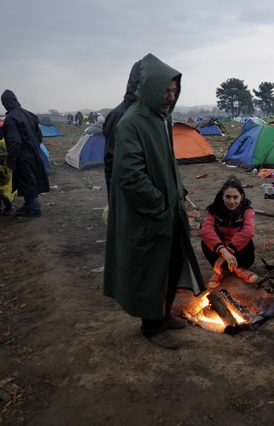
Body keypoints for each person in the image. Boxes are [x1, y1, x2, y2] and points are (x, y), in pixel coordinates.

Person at [104, 53, 204, 350]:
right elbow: (129, 175)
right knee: (151, 270)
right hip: (149, 213)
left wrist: (180, 191)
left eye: (174, 91)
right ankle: (152, 326)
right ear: (149, 88)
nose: (169, 96)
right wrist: (158, 205)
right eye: (165, 90)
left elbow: (168, 162)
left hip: (169, 209)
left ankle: (164, 312)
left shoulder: (163, 118)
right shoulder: (132, 121)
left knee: (172, 263)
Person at [200, 177, 259, 289]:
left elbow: (249, 231)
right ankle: (218, 272)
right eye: (228, 196)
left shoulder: (247, 211)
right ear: (222, 197)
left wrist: (226, 254)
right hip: (221, 246)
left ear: (241, 197)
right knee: (205, 242)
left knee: (248, 241)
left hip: (237, 249)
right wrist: (223, 251)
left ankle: (239, 268)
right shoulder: (214, 210)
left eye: (235, 197)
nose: (231, 201)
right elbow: (205, 230)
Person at [1, 89, 50, 217]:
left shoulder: (10, 119)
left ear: (5, 104)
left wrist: (11, 160)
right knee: (29, 180)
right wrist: (33, 146)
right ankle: (28, 205)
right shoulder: (30, 114)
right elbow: (38, 135)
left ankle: (34, 208)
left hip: (22, 156)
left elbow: (14, 141)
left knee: (27, 181)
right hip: (33, 153)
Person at [103, 59, 142, 199]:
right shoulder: (118, 115)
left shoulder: (150, 114)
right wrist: (114, 200)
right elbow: (113, 163)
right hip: (126, 195)